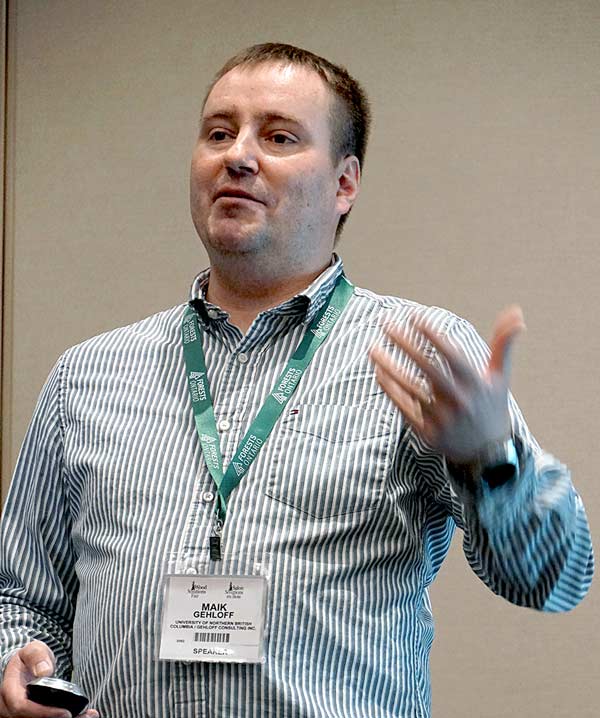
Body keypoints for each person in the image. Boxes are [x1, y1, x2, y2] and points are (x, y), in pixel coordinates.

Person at [0, 42, 593, 718]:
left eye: (279, 136)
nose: (239, 155)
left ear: (345, 184)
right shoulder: (88, 375)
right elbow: (21, 600)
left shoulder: (416, 356)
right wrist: (17, 663)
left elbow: (556, 579)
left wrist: (493, 462)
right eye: (218, 132)